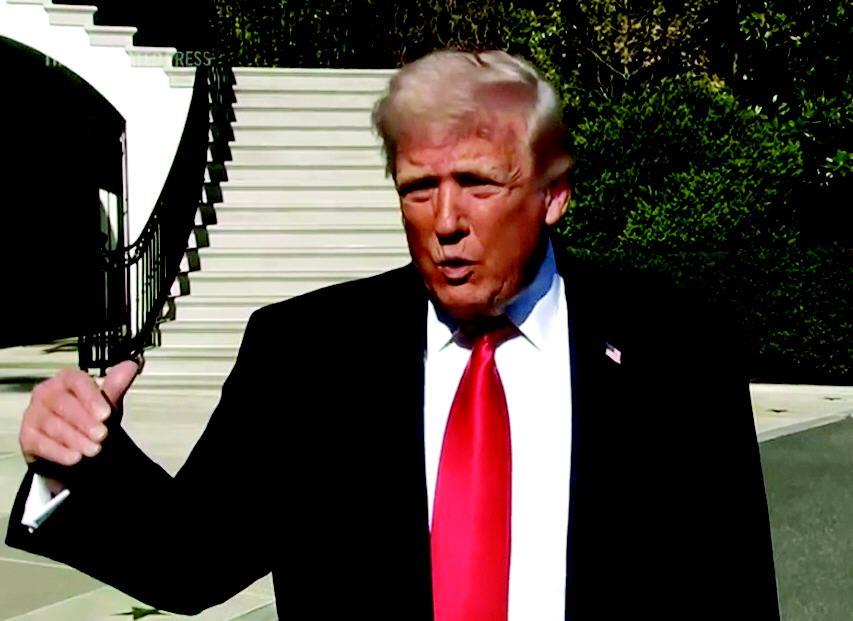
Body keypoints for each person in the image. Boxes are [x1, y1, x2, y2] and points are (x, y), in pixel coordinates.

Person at [6, 50, 780, 620]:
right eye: (418, 188)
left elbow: (732, 594)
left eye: (476, 183)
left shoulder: (679, 349)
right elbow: (191, 560)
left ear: (553, 194)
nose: (445, 221)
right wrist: (78, 465)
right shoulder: (306, 355)